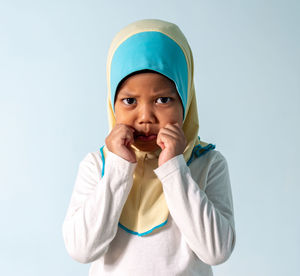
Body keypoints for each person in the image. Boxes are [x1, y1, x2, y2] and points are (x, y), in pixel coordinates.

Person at [62, 19, 236, 276]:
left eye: (163, 99)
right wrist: (118, 168)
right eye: (129, 100)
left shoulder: (208, 162)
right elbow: (81, 250)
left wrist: (174, 167)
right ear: (112, 103)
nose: (146, 117)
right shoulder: (98, 165)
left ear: (185, 99)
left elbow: (216, 251)